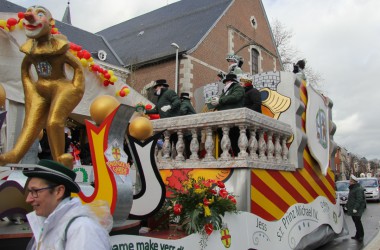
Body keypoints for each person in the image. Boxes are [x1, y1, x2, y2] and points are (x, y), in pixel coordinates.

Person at [0, 6, 85, 168]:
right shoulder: (30, 49)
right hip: (40, 89)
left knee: (54, 122)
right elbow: (25, 68)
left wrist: (75, 88)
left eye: (40, 14)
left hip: (61, 87)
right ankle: (14, 154)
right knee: (30, 123)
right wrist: (30, 89)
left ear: (50, 22)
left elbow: (78, 67)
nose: (31, 17)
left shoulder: (58, 47)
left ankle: (60, 160)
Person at [23, 159, 111, 249]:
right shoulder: (49, 225)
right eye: (29, 191)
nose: (28, 199)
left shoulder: (82, 229)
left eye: (35, 191)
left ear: (59, 191)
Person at [210, 73, 244, 156]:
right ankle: (228, 156)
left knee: (234, 140)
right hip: (224, 118)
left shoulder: (238, 87)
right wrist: (215, 103)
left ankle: (237, 156)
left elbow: (236, 97)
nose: (225, 83)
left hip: (233, 117)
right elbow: (222, 101)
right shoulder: (225, 91)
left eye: (226, 82)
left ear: (230, 81)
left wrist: (220, 100)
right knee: (224, 140)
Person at [346, 174, 366, 242]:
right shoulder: (353, 188)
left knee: (358, 222)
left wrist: (355, 208)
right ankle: (357, 235)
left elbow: (359, 199)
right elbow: (350, 199)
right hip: (353, 208)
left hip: (358, 208)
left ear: (354, 182)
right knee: (356, 222)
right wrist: (346, 205)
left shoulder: (358, 189)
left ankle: (361, 235)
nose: (349, 182)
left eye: (350, 181)